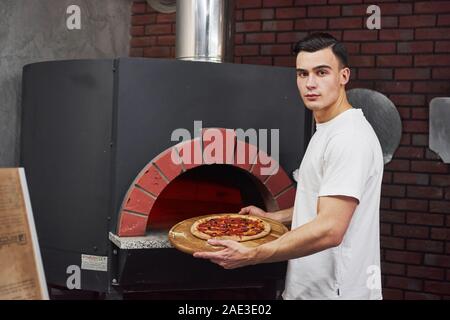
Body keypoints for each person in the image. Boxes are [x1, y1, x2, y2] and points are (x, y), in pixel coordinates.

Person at [194, 32, 384, 300]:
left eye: (321, 72)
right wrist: (274, 218)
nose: (310, 83)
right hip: (310, 290)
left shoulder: (349, 138)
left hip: (336, 293)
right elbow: (321, 204)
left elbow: (331, 228)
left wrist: (253, 255)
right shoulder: (328, 130)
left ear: (344, 76)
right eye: (302, 74)